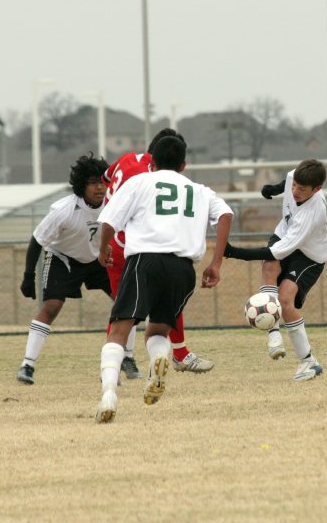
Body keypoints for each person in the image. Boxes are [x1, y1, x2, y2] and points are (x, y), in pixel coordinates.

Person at [94, 135, 232, 423]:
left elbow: (108, 220)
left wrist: (104, 247)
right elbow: (226, 215)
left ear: (151, 161)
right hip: (183, 269)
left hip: (144, 260)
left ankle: (108, 393)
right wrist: (216, 263)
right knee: (157, 332)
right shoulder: (199, 191)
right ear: (184, 164)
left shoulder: (141, 181)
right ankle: (160, 359)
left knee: (119, 330)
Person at [101, 128, 215, 377]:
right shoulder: (150, 177)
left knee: (124, 309)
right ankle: (172, 354)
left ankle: (127, 360)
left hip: (113, 241)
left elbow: (106, 177)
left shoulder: (126, 159)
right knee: (151, 306)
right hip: (134, 245)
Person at [223, 158, 327, 382]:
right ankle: (273, 332)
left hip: (309, 255)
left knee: (285, 299)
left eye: (302, 189)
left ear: (317, 189)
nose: (295, 191)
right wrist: (274, 189)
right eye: (295, 186)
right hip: (284, 233)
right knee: (270, 267)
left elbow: (274, 253)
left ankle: (308, 362)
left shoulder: (311, 214)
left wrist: (234, 252)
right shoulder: (296, 177)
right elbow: (289, 179)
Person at [16, 153, 110, 385]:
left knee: (126, 304)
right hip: (63, 258)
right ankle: (27, 365)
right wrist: (28, 276)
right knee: (51, 307)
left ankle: (123, 361)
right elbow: (37, 240)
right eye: (92, 182)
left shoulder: (114, 204)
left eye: (102, 181)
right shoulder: (63, 210)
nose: (99, 187)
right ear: (81, 185)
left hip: (98, 259)